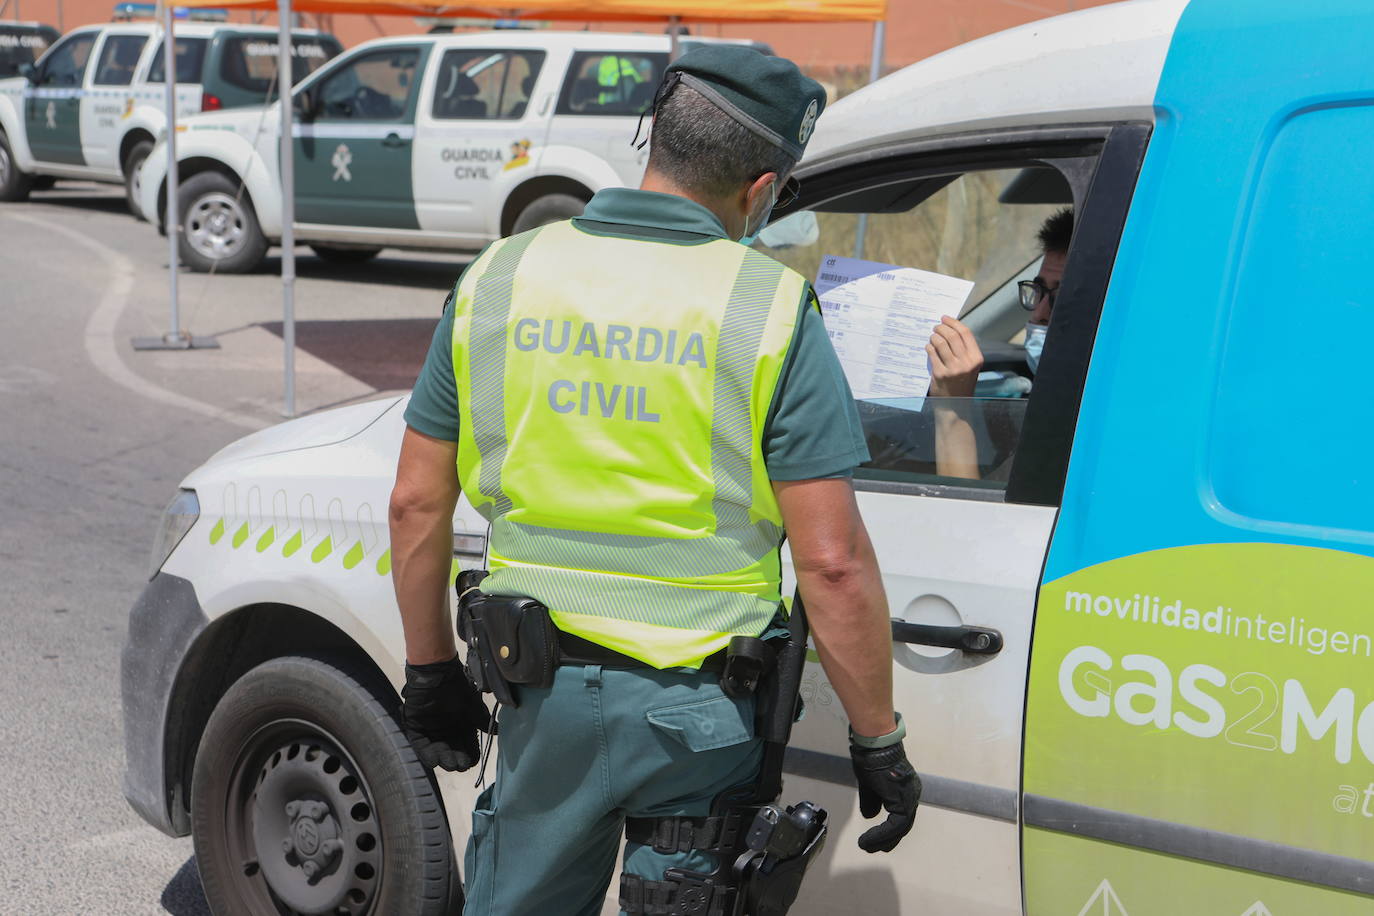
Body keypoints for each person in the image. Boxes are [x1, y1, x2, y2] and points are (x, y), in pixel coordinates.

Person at [389, 44, 919, 916]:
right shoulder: (772, 307)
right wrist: (877, 739)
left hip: (540, 698)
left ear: (654, 138)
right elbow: (832, 564)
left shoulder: (502, 275)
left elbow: (414, 503)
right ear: (761, 189)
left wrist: (429, 673)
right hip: (702, 716)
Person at [923, 207, 1072, 478]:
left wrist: (951, 408)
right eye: (1039, 291)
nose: (1039, 313)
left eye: (1061, 297)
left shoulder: (1084, 425)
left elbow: (963, 514)